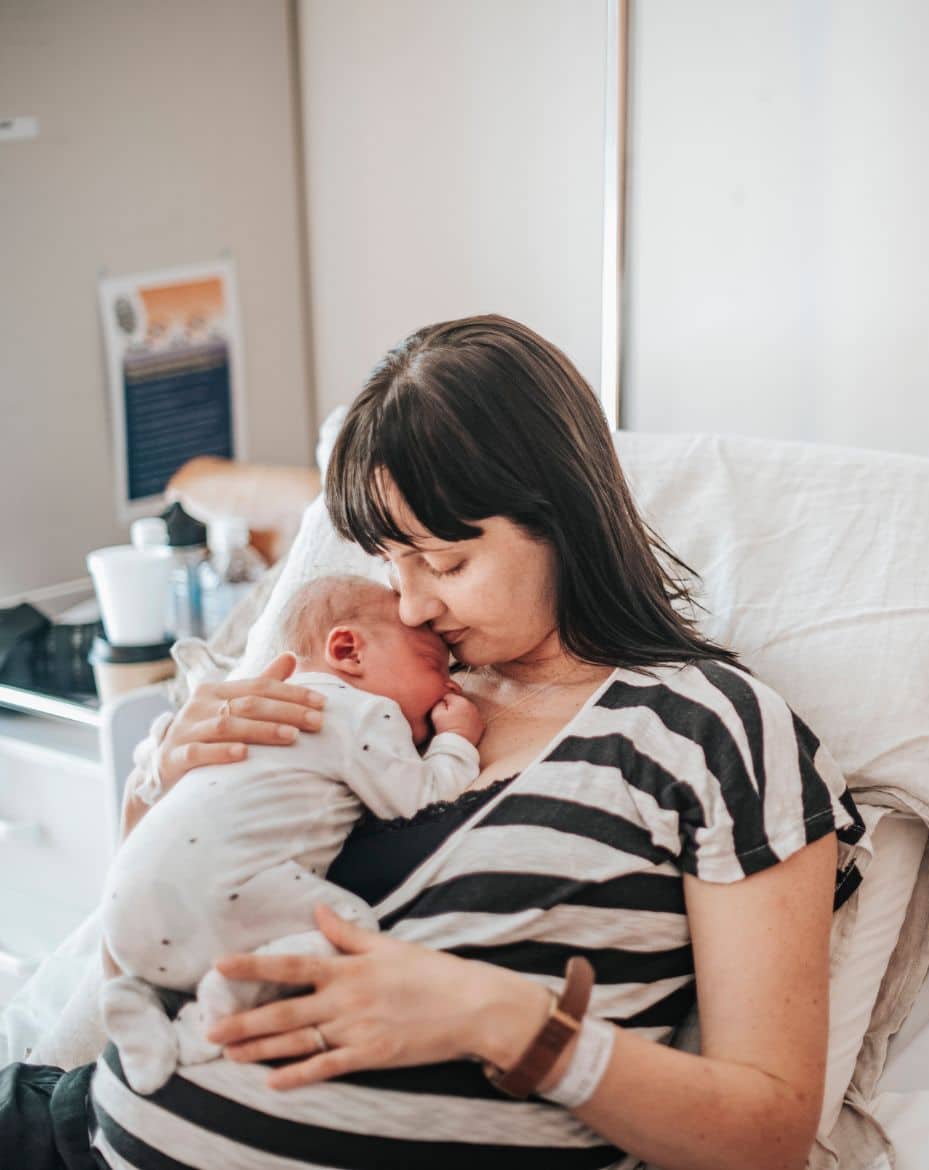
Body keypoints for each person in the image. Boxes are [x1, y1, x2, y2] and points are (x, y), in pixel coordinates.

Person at [3, 314, 867, 1170]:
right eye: (390, 562)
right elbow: (139, 965)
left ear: (564, 518)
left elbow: (766, 1135)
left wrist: (499, 1019)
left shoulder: (711, 732)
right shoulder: (372, 686)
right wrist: (159, 801)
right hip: (66, 1131)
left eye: (446, 563)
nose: (412, 607)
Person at [98, 575, 487, 1095]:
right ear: (347, 650)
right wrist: (457, 741)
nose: (450, 685)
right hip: (220, 899)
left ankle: (135, 997)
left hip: (126, 914)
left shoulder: (251, 711)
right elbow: (422, 802)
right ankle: (213, 1016)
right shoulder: (363, 711)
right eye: (435, 664)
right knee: (349, 928)